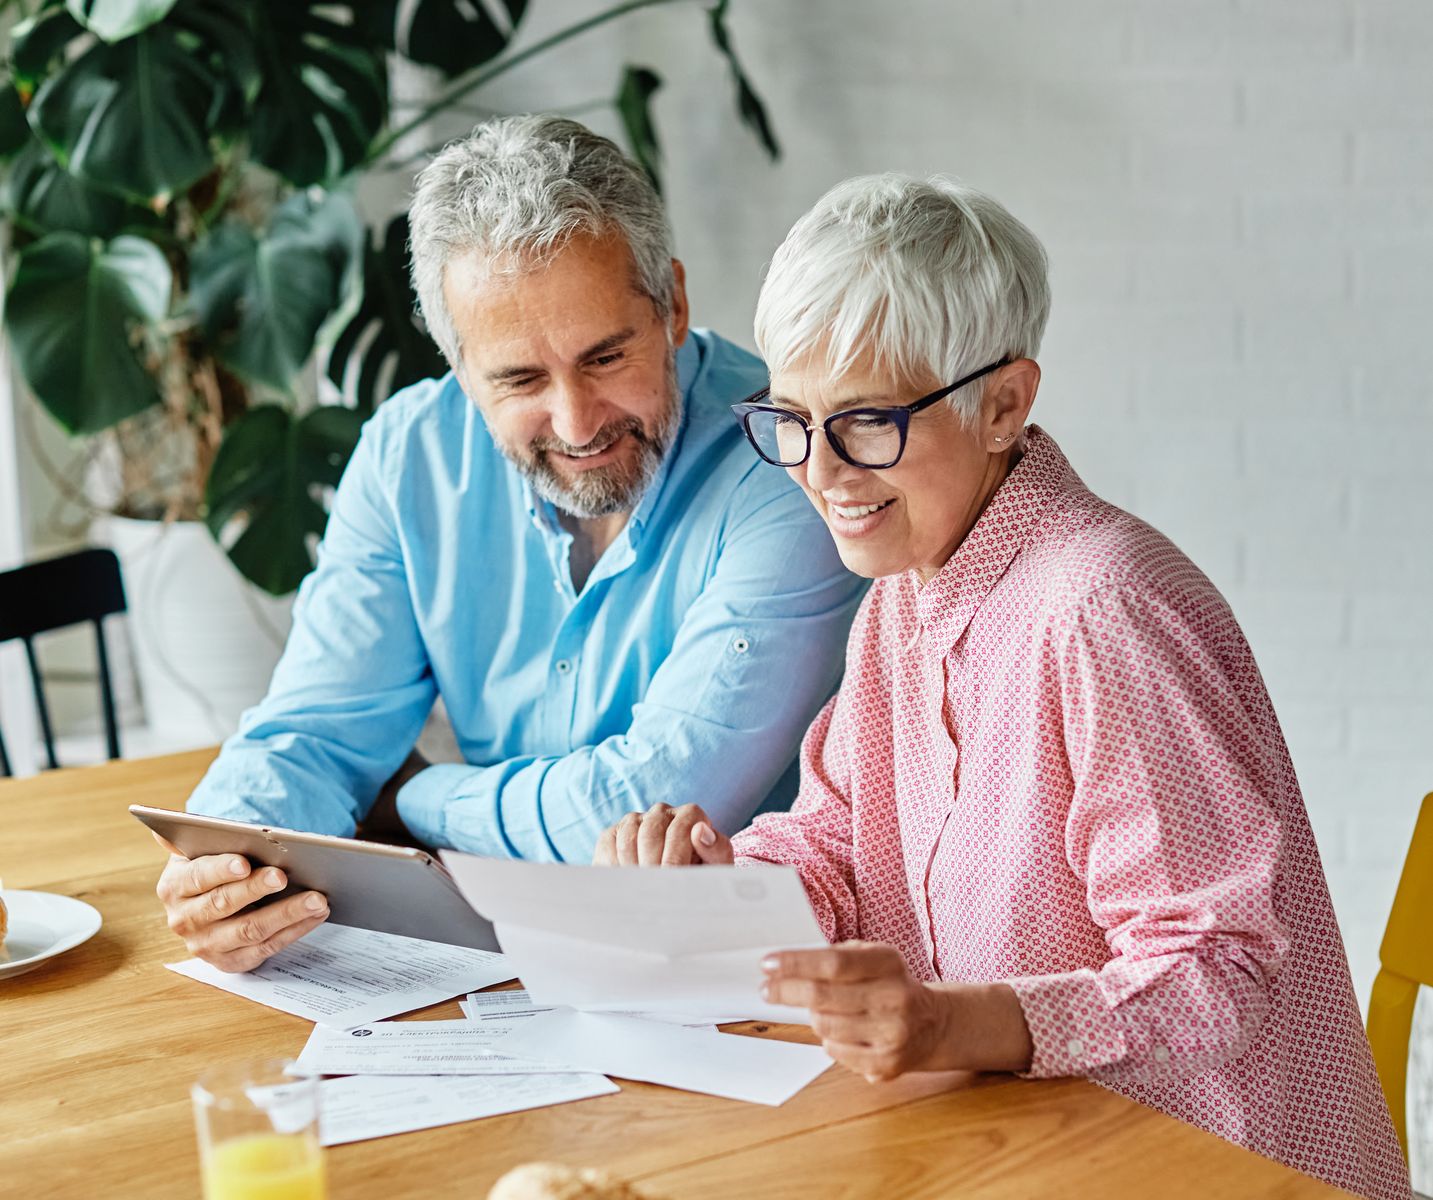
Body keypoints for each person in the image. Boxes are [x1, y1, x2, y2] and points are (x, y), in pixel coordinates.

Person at [595, 175, 1411, 1200]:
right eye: (793, 421)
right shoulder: (906, 588)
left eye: (867, 423)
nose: (821, 473)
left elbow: (1216, 969)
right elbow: (841, 844)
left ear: (1004, 405)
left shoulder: (1100, 605)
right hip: (1014, 1152)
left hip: (1211, 1170)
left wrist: (953, 1022)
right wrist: (723, 881)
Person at [155, 115, 864, 974]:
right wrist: (224, 862)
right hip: (498, 965)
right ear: (458, 368)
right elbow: (317, 732)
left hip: (743, 973)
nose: (576, 422)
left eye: (605, 357)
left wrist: (410, 794)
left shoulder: (789, 456)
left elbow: (647, 804)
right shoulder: (408, 454)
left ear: (672, 306)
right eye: (520, 379)